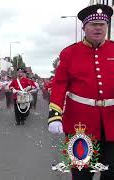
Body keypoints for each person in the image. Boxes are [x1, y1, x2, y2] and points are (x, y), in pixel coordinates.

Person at [48, 4, 114, 180]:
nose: (98, 28)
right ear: (84, 27)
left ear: (107, 26)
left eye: (102, 24)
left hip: (112, 123)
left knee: (111, 173)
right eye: (94, 24)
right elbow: (59, 85)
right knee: (81, 174)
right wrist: (55, 115)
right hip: (80, 125)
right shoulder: (70, 53)